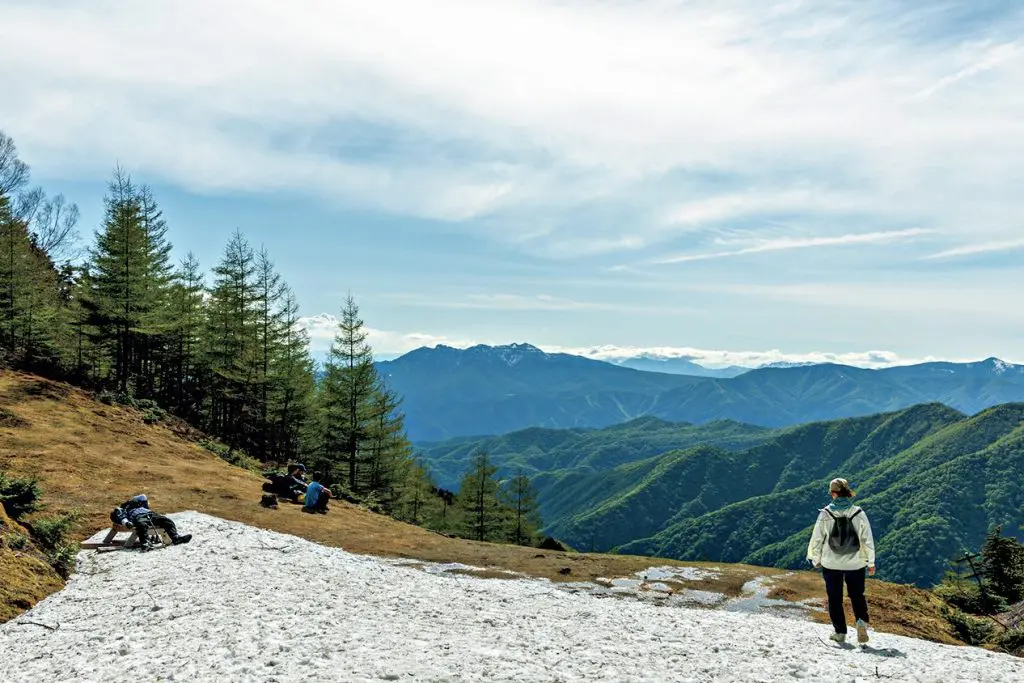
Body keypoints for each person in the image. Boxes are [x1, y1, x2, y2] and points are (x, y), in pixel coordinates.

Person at [807, 478, 875, 644]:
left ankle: (840, 632)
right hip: (856, 563)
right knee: (857, 595)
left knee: (834, 598)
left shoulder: (825, 514)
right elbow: (867, 540)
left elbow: (816, 539)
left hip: (831, 563)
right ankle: (860, 623)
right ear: (847, 493)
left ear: (834, 494)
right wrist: (871, 563)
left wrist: (816, 559)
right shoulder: (859, 513)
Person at [110, 494, 193, 551]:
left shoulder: (141, 505)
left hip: (151, 515)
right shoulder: (124, 509)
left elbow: (143, 497)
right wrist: (127, 523)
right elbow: (120, 516)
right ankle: (145, 543)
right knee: (142, 525)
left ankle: (175, 538)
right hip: (138, 517)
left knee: (166, 521)